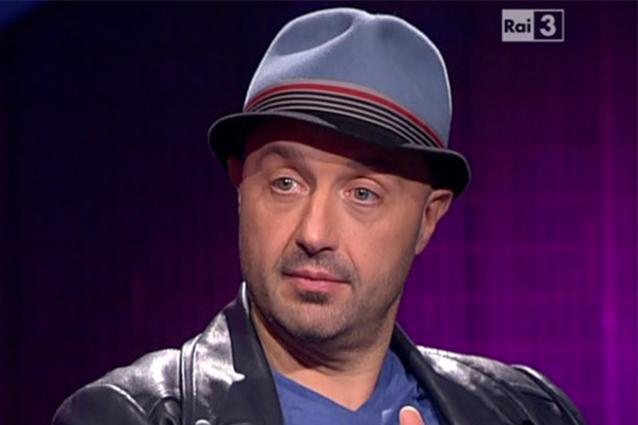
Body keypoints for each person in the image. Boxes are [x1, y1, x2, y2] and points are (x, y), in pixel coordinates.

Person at [52, 7, 586, 425]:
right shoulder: (126, 415)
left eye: (363, 194)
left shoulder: (530, 413)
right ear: (240, 187)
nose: (313, 234)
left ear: (428, 218)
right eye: (285, 183)